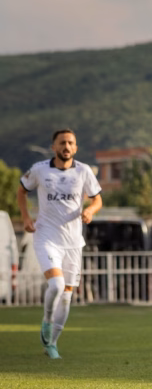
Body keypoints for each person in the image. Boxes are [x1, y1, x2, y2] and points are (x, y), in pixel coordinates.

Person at [16, 129, 103, 359]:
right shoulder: (39, 169)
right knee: (56, 285)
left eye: (71, 143)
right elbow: (21, 191)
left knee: (66, 296)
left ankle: (51, 344)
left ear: (76, 148)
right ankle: (47, 320)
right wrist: (26, 217)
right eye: (62, 143)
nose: (66, 146)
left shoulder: (83, 171)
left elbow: (97, 199)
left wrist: (91, 211)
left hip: (73, 242)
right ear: (53, 147)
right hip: (46, 237)